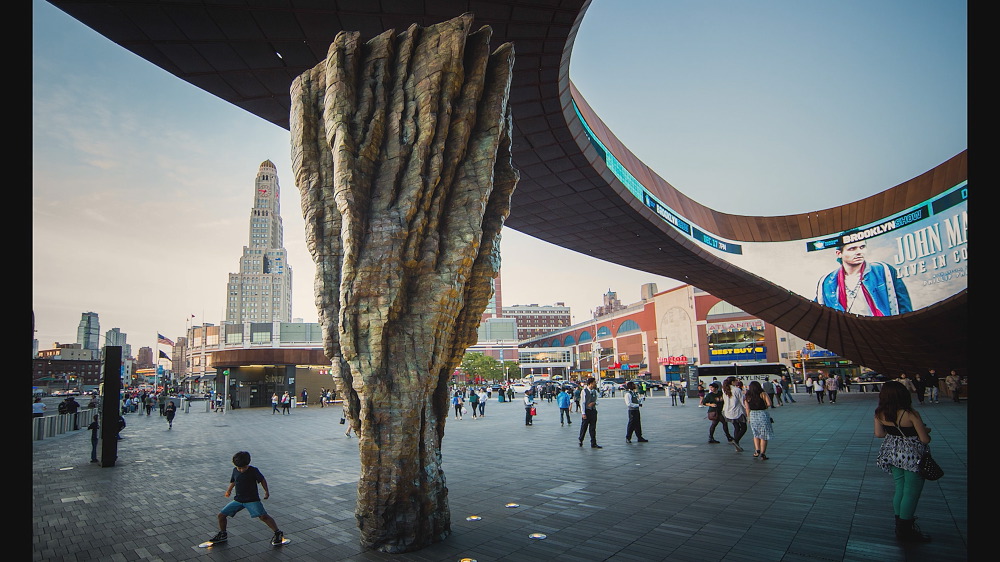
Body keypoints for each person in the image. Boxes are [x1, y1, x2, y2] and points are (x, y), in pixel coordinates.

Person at [874, 381, 933, 542]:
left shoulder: (879, 413)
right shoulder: (910, 414)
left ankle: (899, 526)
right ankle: (906, 530)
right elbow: (924, 439)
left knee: (900, 488)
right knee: (911, 492)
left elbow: (879, 434)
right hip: (911, 456)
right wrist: (925, 430)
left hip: (892, 454)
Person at [207, 451, 285, 546]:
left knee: (263, 516)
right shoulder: (235, 470)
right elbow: (233, 481)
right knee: (221, 515)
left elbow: (262, 480)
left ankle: (277, 533)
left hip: (252, 500)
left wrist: (266, 492)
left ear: (247, 464)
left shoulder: (254, 471)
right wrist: (229, 490)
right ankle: (223, 534)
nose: (240, 470)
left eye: (243, 468)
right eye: (238, 468)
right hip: (238, 500)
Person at [815, 240, 912, 316]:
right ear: (839, 253)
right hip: (849, 336)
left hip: (882, 332)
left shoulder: (883, 270)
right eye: (852, 249)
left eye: (862, 247)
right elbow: (818, 314)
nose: (859, 252)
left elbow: (904, 308)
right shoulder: (827, 282)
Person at [743, 381, 773, 459]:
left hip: (753, 415)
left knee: (755, 434)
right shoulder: (763, 394)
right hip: (763, 414)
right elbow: (769, 403)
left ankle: (757, 450)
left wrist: (748, 417)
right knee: (764, 435)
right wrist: (764, 405)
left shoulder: (747, 396)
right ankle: (763, 453)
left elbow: (747, 408)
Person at [721, 377, 747, 452]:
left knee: (736, 427)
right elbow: (742, 401)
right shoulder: (737, 390)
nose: (737, 382)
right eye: (736, 381)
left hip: (728, 411)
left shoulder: (725, 389)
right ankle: (736, 440)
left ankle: (737, 445)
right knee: (743, 427)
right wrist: (747, 409)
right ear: (732, 382)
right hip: (738, 411)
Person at [578, 377, 602, 448]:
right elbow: (582, 402)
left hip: (593, 411)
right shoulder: (584, 391)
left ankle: (593, 442)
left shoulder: (595, 391)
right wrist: (583, 413)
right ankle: (581, 439)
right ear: (590, 383)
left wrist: (594, 403)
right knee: (584, 427)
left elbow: (598, 401)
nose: (595, 384)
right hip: (587, 411)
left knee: (593, 427)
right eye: (594, 382)